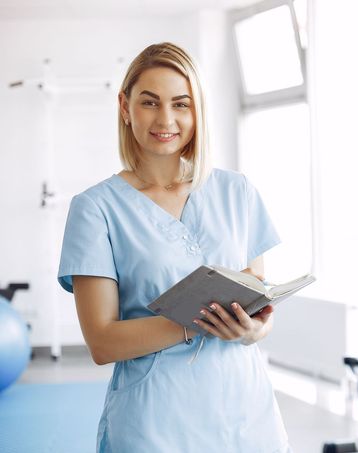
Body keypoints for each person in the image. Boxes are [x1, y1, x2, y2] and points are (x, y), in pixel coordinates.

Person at [57, 42, 291, 453]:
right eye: (150, 102)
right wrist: (196, 321)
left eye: (181, 104)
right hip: (154, 425)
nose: (165, 119)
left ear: (197, 111)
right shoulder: (95, 209)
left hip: (247, 418)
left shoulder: (237, 191)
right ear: (126, 107)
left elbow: (260, 307)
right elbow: (102, 342)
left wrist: (252, 329)